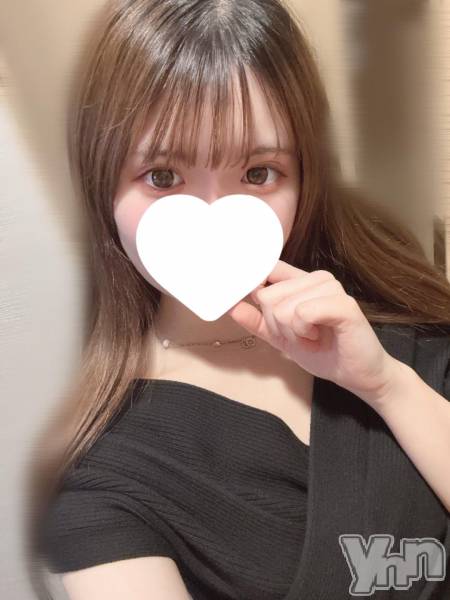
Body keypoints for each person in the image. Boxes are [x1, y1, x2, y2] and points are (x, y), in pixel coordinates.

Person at [25, 1, 450, 599]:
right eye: (163, 177)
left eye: (258, 173)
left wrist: (386, 385)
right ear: (103, 185)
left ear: (305, 175)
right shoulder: (104, 477)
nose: (213, 213)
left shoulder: (400, 328)